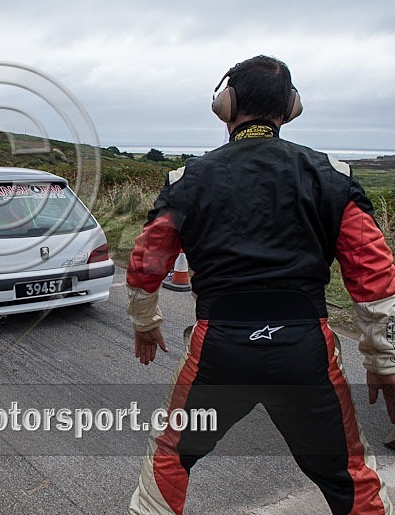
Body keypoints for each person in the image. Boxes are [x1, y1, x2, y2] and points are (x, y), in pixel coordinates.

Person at [125, 55, 395, 514]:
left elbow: (147, 260)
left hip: (219, 348)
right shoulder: (332, 176)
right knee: (349, 474)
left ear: (224, 106)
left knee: (170, 458)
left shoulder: (188, 180)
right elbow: (374, 277)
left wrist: (145, 321)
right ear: (290, 108)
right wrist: (385, 362)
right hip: (305, 349)